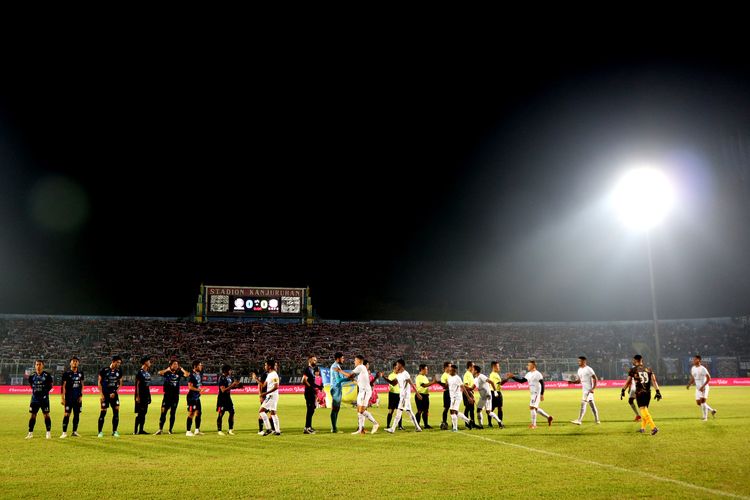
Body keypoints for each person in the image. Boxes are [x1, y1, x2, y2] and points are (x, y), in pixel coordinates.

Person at [621, 354, 662, 435]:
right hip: (648, 393)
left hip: (640, 392)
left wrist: (623, 390)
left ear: (636, 360)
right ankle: (642, 428)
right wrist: (657, 391)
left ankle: (653, 427)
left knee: (643, 410)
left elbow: (628, 381)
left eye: (633, 360)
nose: (632, 361)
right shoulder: (649, 369)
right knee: (645, 409)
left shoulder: (633, 370)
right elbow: (654, 380)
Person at [340, 354, 379, 435]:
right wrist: (352, 379)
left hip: (365, 392)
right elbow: (357, 382)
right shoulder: (362, 371)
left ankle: (375, 423)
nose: (354, 361)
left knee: (362, 410)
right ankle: (360, 430)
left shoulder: (361, 366)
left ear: (359, 361)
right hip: (361, 392)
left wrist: (339, 371)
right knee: (359, 411)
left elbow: (350, 375)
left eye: (355, 360)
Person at [508, 360, 553, 429]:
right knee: (535, 408)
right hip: (532, 393)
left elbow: (542, 383)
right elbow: (522, 381)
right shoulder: (528, 374)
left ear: (533, 366)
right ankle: (548, 417)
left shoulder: (538, 373)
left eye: (529, 365)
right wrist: (513, 377)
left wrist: (542, 394)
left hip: (536, 393)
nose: (527, 366)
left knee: (531, 407)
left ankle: (534, 424)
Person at [385, 359, 422, 433]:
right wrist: (384, 377)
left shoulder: (405, 373)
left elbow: (411, 383)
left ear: (401, 365)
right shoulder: (398, 375)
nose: (396, 366)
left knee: (402, 411)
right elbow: (393, 383)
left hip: (405, 396)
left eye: (397, 365)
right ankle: (417, 427)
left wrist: (417, 393)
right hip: (402, 396)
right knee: (406, 411)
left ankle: (393, 429)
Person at [155, 359, 190, 435]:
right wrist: (166, 369)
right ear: (170, 365)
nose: (176, 365)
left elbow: (187, 374)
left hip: (175, 396)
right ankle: (160, 429)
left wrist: (182, 369)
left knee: (173, 413)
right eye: (174, 364)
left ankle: (170, 430)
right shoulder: (167, 372)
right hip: (167, 395)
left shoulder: (179, 372)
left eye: (177, 364)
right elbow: (159, 373)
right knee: (163, 413)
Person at [568, 356, 600, 425]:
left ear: (584, 361)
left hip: (589, 390)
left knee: (583, 404)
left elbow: (595, 379)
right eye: (578, 361)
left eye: (580, 361)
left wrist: (593, 388)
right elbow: (579, 381)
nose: (578, 362)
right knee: (592, 405)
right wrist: (572, 382)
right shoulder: (579, 370)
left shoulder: (589, 369)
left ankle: (579, 420)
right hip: (584, 390)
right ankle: (597, 420)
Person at [26, 359, 53, 439]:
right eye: (37, 364)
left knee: (46, 415)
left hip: (44, 399)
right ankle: (30, 433)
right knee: (33, 415)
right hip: (34, 399)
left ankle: (48, 432)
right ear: (35, 365)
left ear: (43, 366)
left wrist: (44, 392)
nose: (38, 366)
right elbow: (31, 385)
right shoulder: (32, 376)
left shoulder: (47, 375)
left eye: (40, 364)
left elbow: (50, 385)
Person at [97, 355, 123, 438]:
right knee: (103, 412)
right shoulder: (104, 370)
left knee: (116, 412)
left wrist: (115, 392)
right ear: (113, 361)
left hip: (114, 395)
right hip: (105, 395)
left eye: (120, 363)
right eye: (118, 362)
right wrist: (101, 394)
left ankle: (115, 431)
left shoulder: (119, 371)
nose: (119, 364)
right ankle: (100, 432)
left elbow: (120, 383)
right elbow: (99, 382)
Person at [60, 356, 84, 438]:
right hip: (69, 398)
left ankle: (74, 431)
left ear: (78, 363)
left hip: (77, 398)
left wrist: (81, 395)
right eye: (73, 361)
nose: (75, 362)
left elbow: (82, 385)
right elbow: (63, 386)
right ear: (70, 363)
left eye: (76, 361)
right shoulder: (66, 373)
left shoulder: (81, 373)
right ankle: (64, 432)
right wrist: (62, 398)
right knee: (67, 414)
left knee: (76, 415)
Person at [687, 355, 716, 421]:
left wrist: (703, 387)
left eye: (695, 359)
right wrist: (689, 384)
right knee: (698, 403)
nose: (693, 361)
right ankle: (712, 410)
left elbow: (709, 378)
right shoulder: (693, 368)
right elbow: (693, 377)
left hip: (704, 387)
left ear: (699, 360)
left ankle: (705, 418)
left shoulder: (703, 368)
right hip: (697, 388)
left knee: (703, 402)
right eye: (693, 359)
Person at [256, 359, 281, 436]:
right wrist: (256, 379)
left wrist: (266, 393)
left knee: (261, 411)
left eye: (266, 365)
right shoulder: (269, 374)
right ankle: (277, 430)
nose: (265, 366)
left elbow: (276, 386)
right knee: (273, 413)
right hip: (272, 395)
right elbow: (263, 385)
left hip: (271, 396)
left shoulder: (274, 374)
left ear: (269, 366)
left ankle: (268, 429)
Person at [446, 364, 473, 432]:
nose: (451, 371)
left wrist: (468, 397)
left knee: (452, 411)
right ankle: (469, 421)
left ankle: (455, 428)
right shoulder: (449, 377)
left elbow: (463, 387)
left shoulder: (457, 378)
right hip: (452, 397)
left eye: (452, 370)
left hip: (456, 397)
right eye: (450, 369)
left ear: (455, 371)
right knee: (456, 412)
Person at [217, 364, 240, 435]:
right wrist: (232, 385)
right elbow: (223, 390)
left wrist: (237, 386)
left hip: (228, 398)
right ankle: (219, 430)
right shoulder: (222, 378)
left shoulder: (229, 378)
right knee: (221, 414)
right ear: (226, 371)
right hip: (222, 399)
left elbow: (230, 387)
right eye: (230, 370)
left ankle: (230, 429)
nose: (231, 371)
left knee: (232, 412)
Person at [302, 355, 323, 434]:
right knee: (310, 409)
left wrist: (318, 387)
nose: (315, 361)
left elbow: (311, 382)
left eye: (315, 360)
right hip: (308, 392)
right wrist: (310, 387)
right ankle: (306, 428)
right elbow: (303, 380)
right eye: (314, 360)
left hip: (312, 392)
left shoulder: (311, 370)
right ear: (309, 360)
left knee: (312, 409)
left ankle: (309, 427)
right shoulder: (307, 369)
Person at [185, 361, 206, 436]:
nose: (201, 367)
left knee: (199, 413)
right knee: (191, 413)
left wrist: (199, 391)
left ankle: (197, 430)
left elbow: (197, 385)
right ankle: (188, 431)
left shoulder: (199, 374)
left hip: (197, 397)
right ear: (195, 366)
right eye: (199, 365)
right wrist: (199, 390)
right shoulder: (191, 375)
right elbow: (190, 387)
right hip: (191, 398)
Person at [134, 355, 153, 435]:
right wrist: (137, 396)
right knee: (140, 413)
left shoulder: (147, 373)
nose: (150, 363)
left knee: (144, 412)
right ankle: (135, 430)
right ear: (145, 362)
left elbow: (147, 386)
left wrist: (149, 396)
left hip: (146, 395)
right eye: (149, 361)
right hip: (140, 395)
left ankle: (141, 429)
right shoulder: (139, 372)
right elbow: (137, 385)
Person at [329, 352, 347, 432]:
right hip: (336, 389)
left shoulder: (337, 366)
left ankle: (334, 427)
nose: (343, 359)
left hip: (338, 389)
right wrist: (348, 378)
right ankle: (334, 428)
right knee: (335, 409)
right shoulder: (335, 366)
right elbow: (338, 380)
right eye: (342, 358)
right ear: (338, 358)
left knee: (337, 409)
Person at [414, 364, 433, 429]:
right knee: (419, 411)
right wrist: (433, 382)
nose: (427, 370)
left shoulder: (424, 377)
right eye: (426, 369)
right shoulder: (419, 377)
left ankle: (426, 424)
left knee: (426, 410)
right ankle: (417, 425)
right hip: (420, 395)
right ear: (422, 369)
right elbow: (424, 385)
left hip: (425, 395)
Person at [386, 362, 404, 430]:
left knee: (399, 410)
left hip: (399, 395)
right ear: (394, 368)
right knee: (391, 410)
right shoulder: (391, 375)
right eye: (397, 367)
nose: (398, 369)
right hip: (392, 395)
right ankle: (388, 425)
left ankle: (400, 426)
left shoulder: (400, 375)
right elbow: (392, 384)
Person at [488, 361, 506, 427]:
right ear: (494, 367)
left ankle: (498, 423)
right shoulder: (493, 375)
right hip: (495, 392)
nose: (499, 367)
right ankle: (493, 423)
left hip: (496, 392)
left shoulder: (495, 374)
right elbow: (498, 383)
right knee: (493, 409)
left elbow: (499, 383)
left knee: (497, 408)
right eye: (498, 366)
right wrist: (507, 379)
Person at [463, 361, 477, 429]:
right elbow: (465, 385)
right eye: (473, 366)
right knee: (468, 408)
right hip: (467, 393)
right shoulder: (467, 374)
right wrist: (471, 393)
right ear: (470, 367)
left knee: (471, 409)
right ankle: (467, 423)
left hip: (470, 393)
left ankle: (472, 423)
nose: (474, 367)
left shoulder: (470, 374)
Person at [438, 361, 451, 430]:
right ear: (446, 367)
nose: (450, 367)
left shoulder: (450, 374)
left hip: (452, 392)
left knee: (453, 408)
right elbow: (444, 386)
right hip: (447, 393)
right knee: (446, 408)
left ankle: (453, 422)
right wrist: (449, 384)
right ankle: (444, 422)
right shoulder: (444, 375)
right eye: (449, 366)